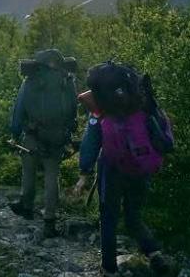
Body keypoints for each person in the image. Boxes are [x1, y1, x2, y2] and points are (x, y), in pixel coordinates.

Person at [73, 61, 175, 276]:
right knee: (133, 216)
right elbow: (162, 134)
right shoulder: (144, 105)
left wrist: (84, 173)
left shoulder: (102, 108)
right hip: (141, 169)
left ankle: (108, 269)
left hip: (112, 168)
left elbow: (91, 141)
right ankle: (155, 254)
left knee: (108, 218)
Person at [9, 49, 79, 238]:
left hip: (33, 134)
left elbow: (19, 107)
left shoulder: (30, 80)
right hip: (58, 135)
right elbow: (74, 108)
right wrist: (70, 132)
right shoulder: (68, 80)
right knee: (51, 176)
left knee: (29, 170)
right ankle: (49, 221)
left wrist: (15, 133)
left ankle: (27, 206)